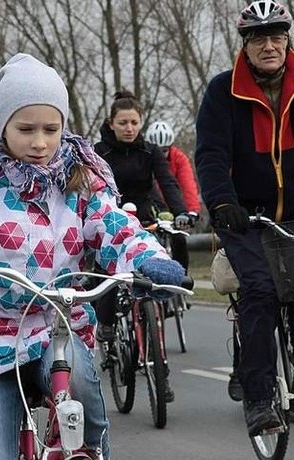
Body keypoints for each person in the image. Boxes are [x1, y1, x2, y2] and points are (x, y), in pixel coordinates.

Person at [0, 53, 185, 460]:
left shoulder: (81, 179)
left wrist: (150, 260)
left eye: (50, 129)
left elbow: (117, 228)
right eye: (26, 129)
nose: (39, 142)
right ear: (2, 125)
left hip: (56, 327)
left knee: (80, 384)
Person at [195, 0, 294, 437]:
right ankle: (259, 398)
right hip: (245, 216)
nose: (269, 45)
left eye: (276, 36)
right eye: (259, 38)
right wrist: (222, 203)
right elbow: (211, 154)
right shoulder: (224, 91)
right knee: (260, 292)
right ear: (246, 45)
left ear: (287, 40)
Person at [92, 90, 189, 378]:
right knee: (106, 269)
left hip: (144, 214)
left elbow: (168, 182)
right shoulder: (99, 152)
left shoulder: (150, 151)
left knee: (162, 253)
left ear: (141, 122)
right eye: (123, 123)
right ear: (111, 123)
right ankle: (106, 325)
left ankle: (156, 339)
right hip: (112, 214)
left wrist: (182, 211)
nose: (129, 128)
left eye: (134, 122)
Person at [145, 120, 201, 272]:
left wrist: (192, 211)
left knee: (179, 239)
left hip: (173, 207)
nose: (160, 155)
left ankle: (182, 279)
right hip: (150, 206)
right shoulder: (143, 156)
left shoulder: (179, 158)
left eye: (164, 151)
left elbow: (188, 184)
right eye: (156, 150)